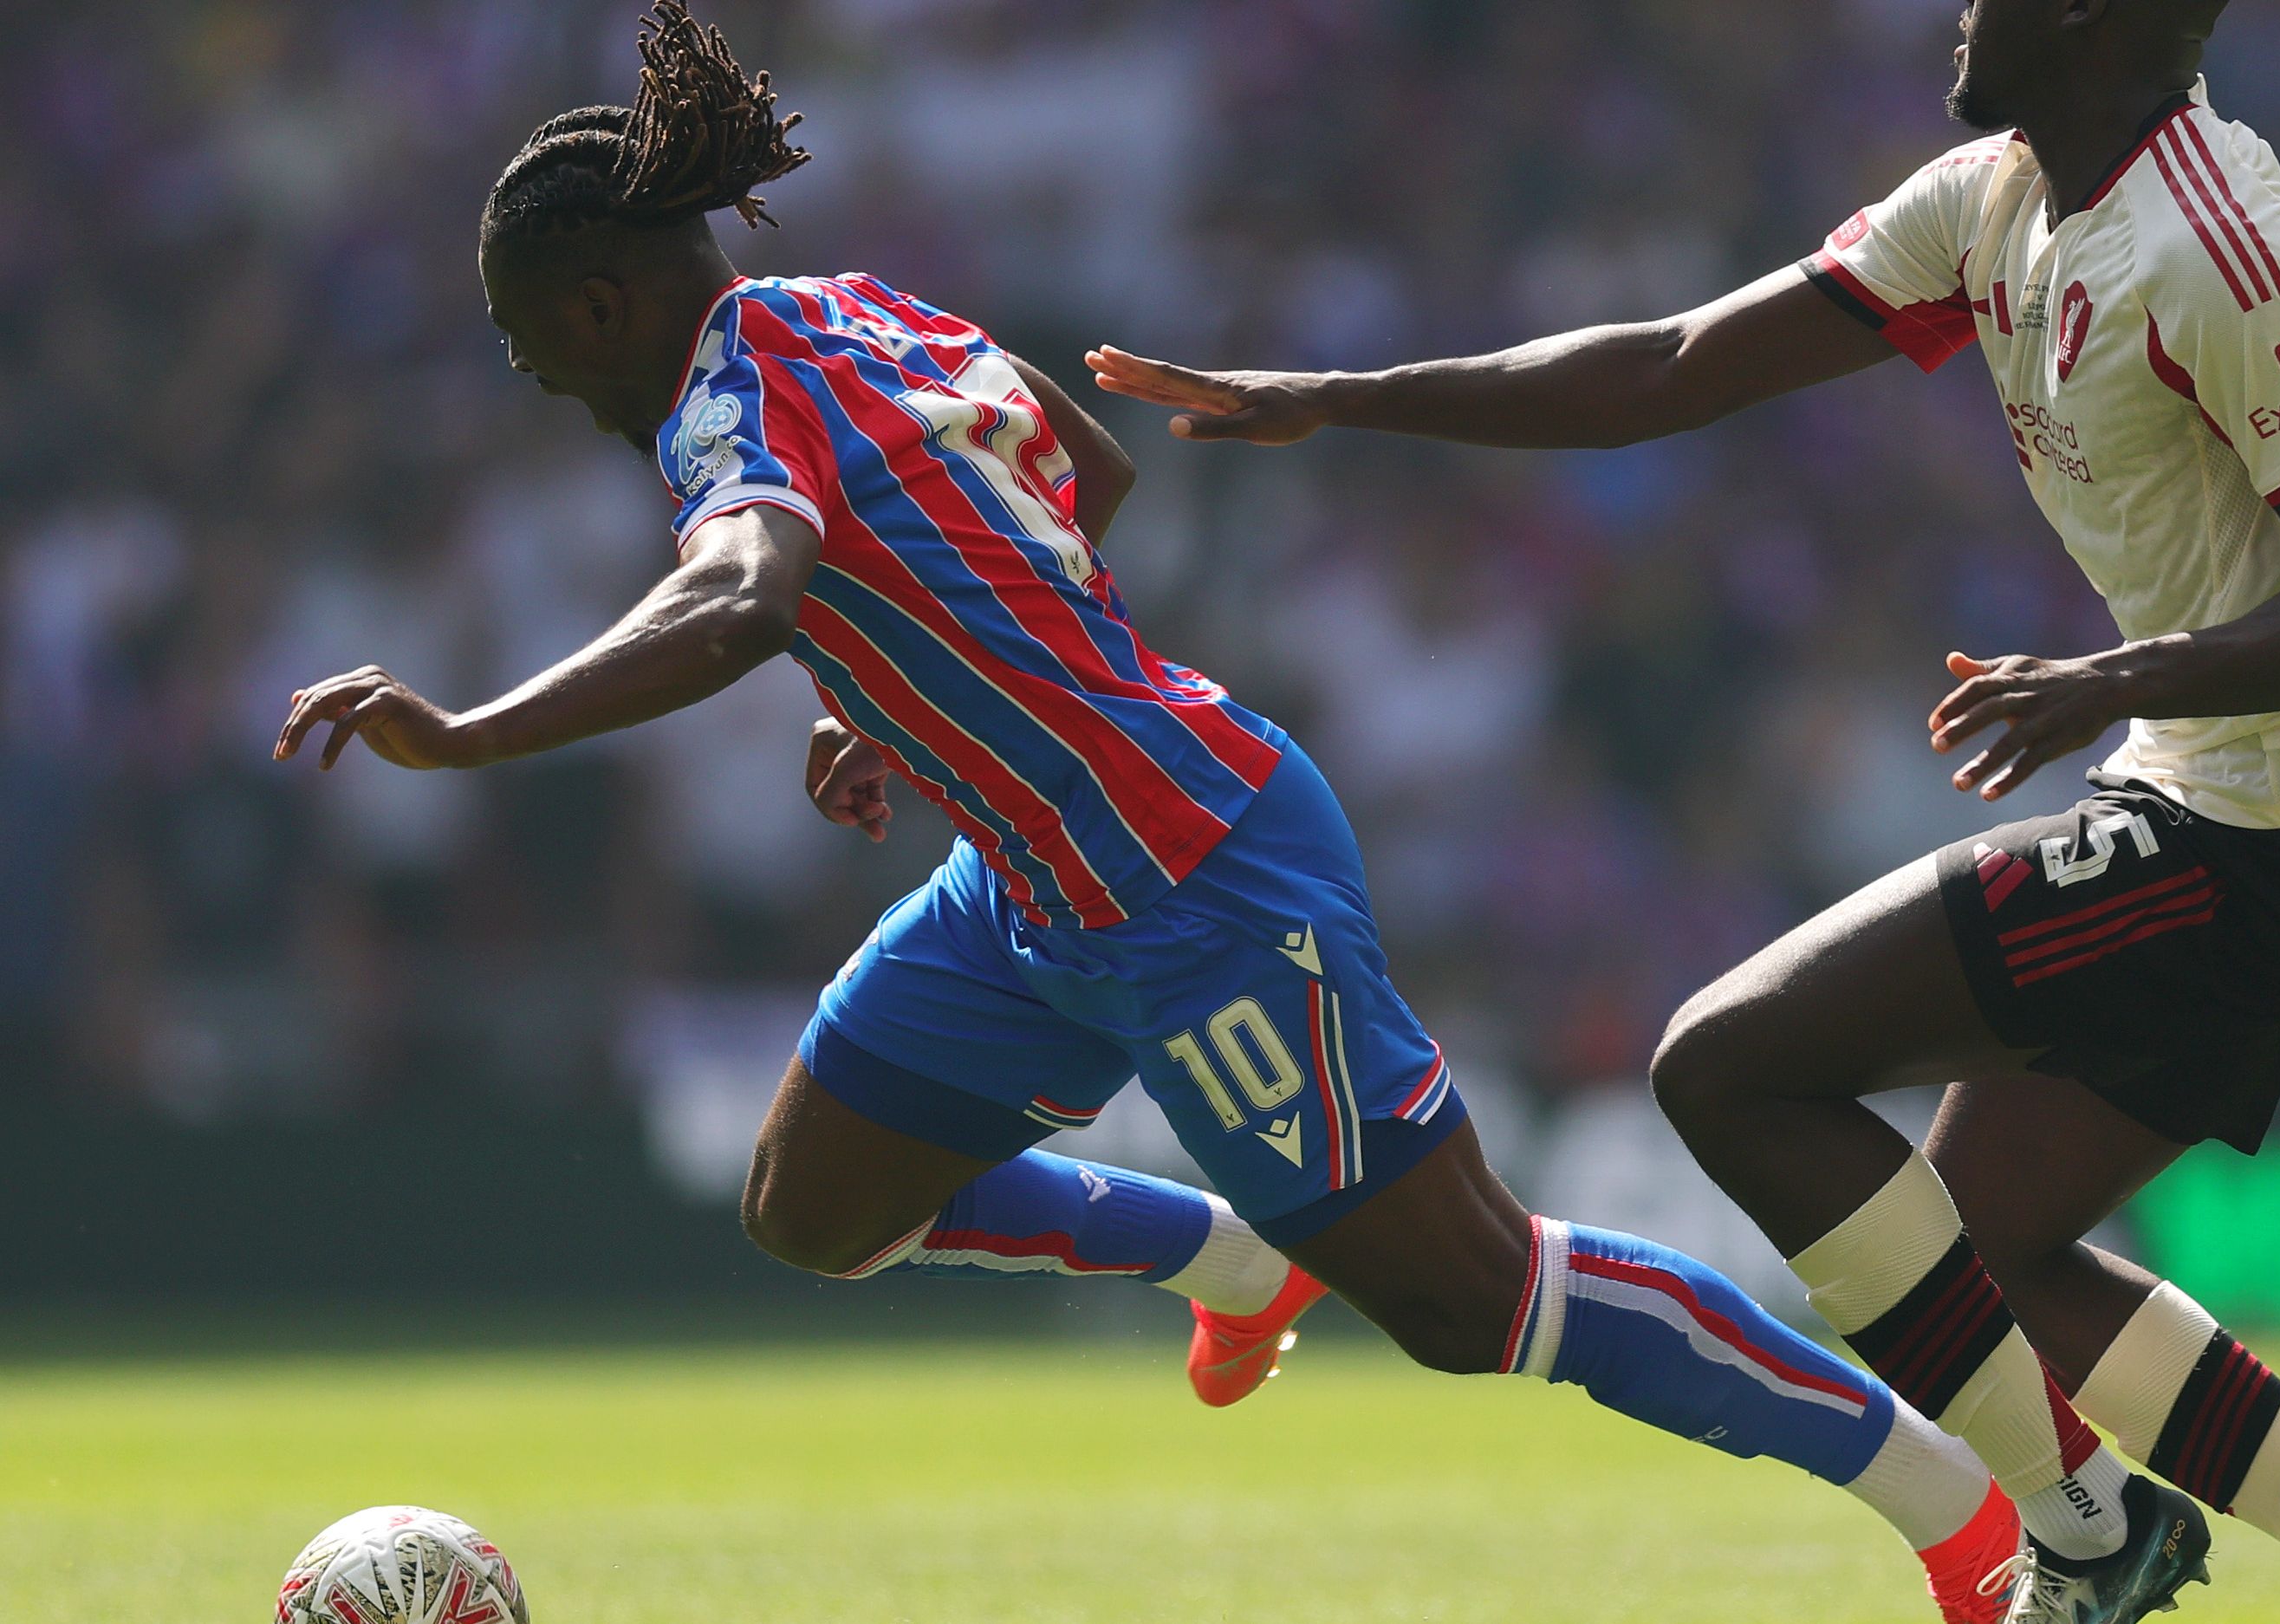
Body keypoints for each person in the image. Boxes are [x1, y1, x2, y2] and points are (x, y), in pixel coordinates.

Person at [270, 6, 2029, 1621]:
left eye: (525, 348)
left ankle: (1963, 1512)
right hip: (1029, 881)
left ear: (594, 305)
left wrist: (480, 734)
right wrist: (893, 689)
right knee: (814, 1203)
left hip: (1194, 871)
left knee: (1469, 1297)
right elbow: (1075, 469)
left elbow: (735, 594)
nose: (535, 384)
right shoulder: (855, 306)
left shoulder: (721, 404)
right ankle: (1226, 1251)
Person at [1085, 3, 2280, 1622]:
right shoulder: (1996, 198)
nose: (1961, 8)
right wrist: (1346, 398)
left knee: (1732, 1066)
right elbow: (1676, 363)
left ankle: (2080, 1531)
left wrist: (2103, 679)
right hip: (2234, 781)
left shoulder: (2222, 248)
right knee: (1976, 1243)